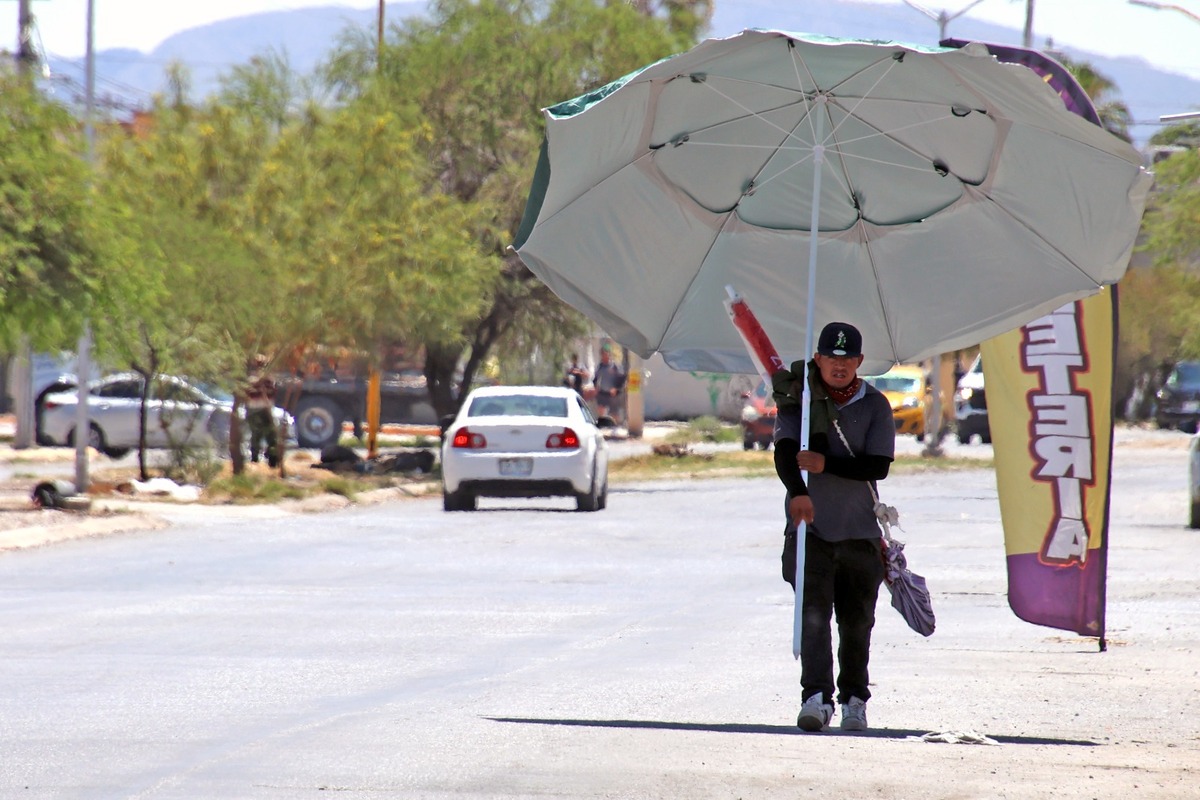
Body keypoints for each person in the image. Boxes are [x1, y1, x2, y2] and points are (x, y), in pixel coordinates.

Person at [771, 321, 895, 733]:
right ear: (818, 359)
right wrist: (797, 491)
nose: (838, 366)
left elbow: (877, 466)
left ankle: (854, 700)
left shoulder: (875, 405)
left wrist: (827, 465)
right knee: (813, 618)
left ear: (859, 362)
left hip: (860, 533)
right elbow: (785, 452)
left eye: (847, 359)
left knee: (857, 623)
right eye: (831, 358)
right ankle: (816, 698)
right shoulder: (800, 400)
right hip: (811, 531)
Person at [245, 354, 279, 467]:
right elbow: (249, 393)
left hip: (266, 410)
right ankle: (254, 460)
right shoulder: (251, 380)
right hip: (254, 410)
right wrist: (260, 382)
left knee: (272, 436)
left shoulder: (269, 380)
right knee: (256, 435)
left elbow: (272, 393)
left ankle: (273, 461)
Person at [592, 344, 625, 425]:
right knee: (600, 409)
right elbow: (595, 378)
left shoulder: (615, 366)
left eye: (606, 353)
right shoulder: (600, 366)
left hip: (613, 393)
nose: (605, 356)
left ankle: (617, 426)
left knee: (614, 413)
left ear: (609, 354)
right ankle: (602, 425)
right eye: (603, 354)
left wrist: (616, 389)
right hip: (602, 392)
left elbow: (621, 379)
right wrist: (596, 387)